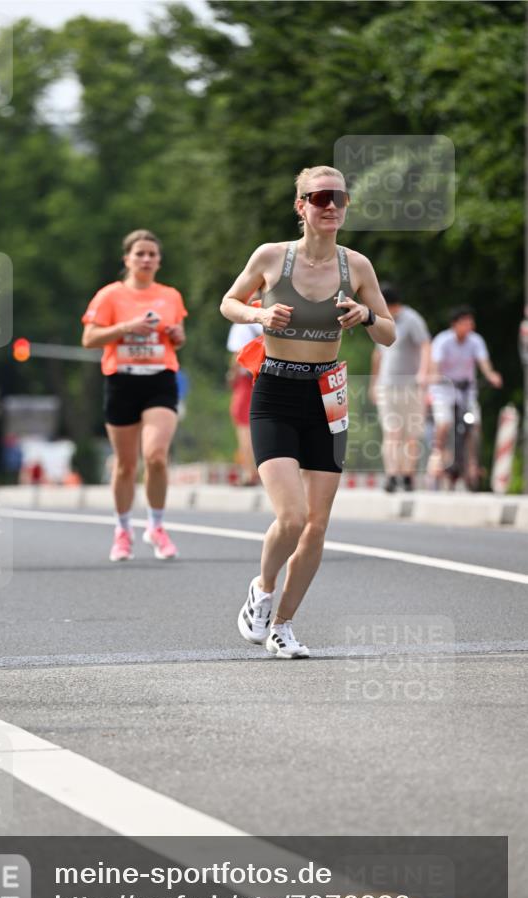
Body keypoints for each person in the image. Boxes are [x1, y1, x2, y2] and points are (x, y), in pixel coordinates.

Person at [220, 165, 395, 659]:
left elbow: (389, 332)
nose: (331, 206)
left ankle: (284, 626)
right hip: (275, 390)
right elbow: (229, 302)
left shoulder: (356, 266)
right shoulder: (272, 257)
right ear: (301, 207)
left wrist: (365, 316)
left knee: (317, 525)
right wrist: (258, 314)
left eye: (338, 197)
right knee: (292, 517)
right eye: (319, 197)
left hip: (327, 396)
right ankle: (263, 589)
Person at [82, 229, 187, 562]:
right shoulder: (110, 296)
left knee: (155, 456)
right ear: (126, 259)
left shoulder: (170, 295)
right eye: (139, 253)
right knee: (126, 465)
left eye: (152, 254)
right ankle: (122, 530)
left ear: (159, 261)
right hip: (122, 381)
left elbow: (179, 337)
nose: (146, 259)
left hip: (160, 379)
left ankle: (156, 526)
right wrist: (126, 327)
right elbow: (90, 338)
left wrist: (175, 334)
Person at [429, 305, 502, 488]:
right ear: (455, 324)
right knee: (444, 423)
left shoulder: (476, 341)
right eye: (465, 322)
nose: (470, 326)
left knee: (474, 425)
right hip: (444, 390)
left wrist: (491, 375)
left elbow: (484, 363)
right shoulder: (443, 341)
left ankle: (472, 465)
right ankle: (438, 455)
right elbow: (435, 365)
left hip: (467, 391)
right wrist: (436, 377)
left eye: (471, 322)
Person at [368, 283, 431, 492]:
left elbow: (425, 345)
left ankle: (407, 475)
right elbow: (377, 354)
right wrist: (373, 383)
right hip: (387, 386)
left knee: (411, 434)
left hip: (410, 386)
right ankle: (392, 475)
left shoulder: (412, 319)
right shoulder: (381, 321)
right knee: (392, 431)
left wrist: (423, 373)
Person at [226, 321, 263, 485]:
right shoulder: (276, 316)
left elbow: (238, 356)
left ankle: (250, 472)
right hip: (271, 377)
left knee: (244, 426)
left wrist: (231, 376)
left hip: (247, 380)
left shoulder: (242, 325)